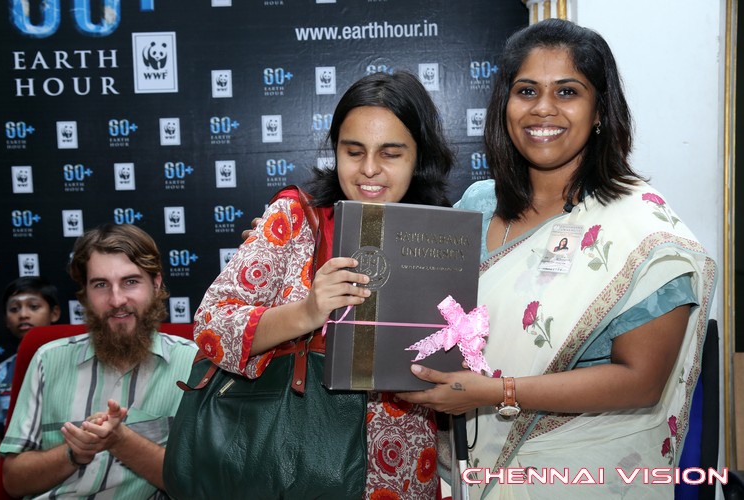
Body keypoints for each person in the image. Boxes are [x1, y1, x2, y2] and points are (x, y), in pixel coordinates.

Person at [398, 19, 716, 499]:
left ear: (600, 111)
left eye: (567, 91)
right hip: (464, 471)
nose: (543, 108)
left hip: (583, 476)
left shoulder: (640, 228)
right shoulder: (476, 207)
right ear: (505, 105)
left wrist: (499, 393)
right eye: (526, 90)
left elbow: (642, 381)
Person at [193, 70, 454, 498]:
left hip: (404, 465)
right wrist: (308, 312)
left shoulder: (442, 234)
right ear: (336, 150)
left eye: (391, 153)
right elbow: (210, 327)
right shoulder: (296, 217)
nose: (369, 169)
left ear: (418, 156)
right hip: (300, 459)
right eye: (354, 151)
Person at [0, 224, 197, 498]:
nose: (117, 300)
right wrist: (74, 452)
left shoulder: (193, 364)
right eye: (101, 285)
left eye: (131, 281)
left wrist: (121, 441)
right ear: (85, 294)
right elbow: (13, 481)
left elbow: (201, 483)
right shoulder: (47, 359)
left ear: (156, 283)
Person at [0, 277, 61, 464]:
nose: (23, 315)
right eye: (14, 309)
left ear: (54, 313)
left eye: (33, 306)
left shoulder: (75, 362)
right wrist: (11, 467)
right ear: (6, 319)